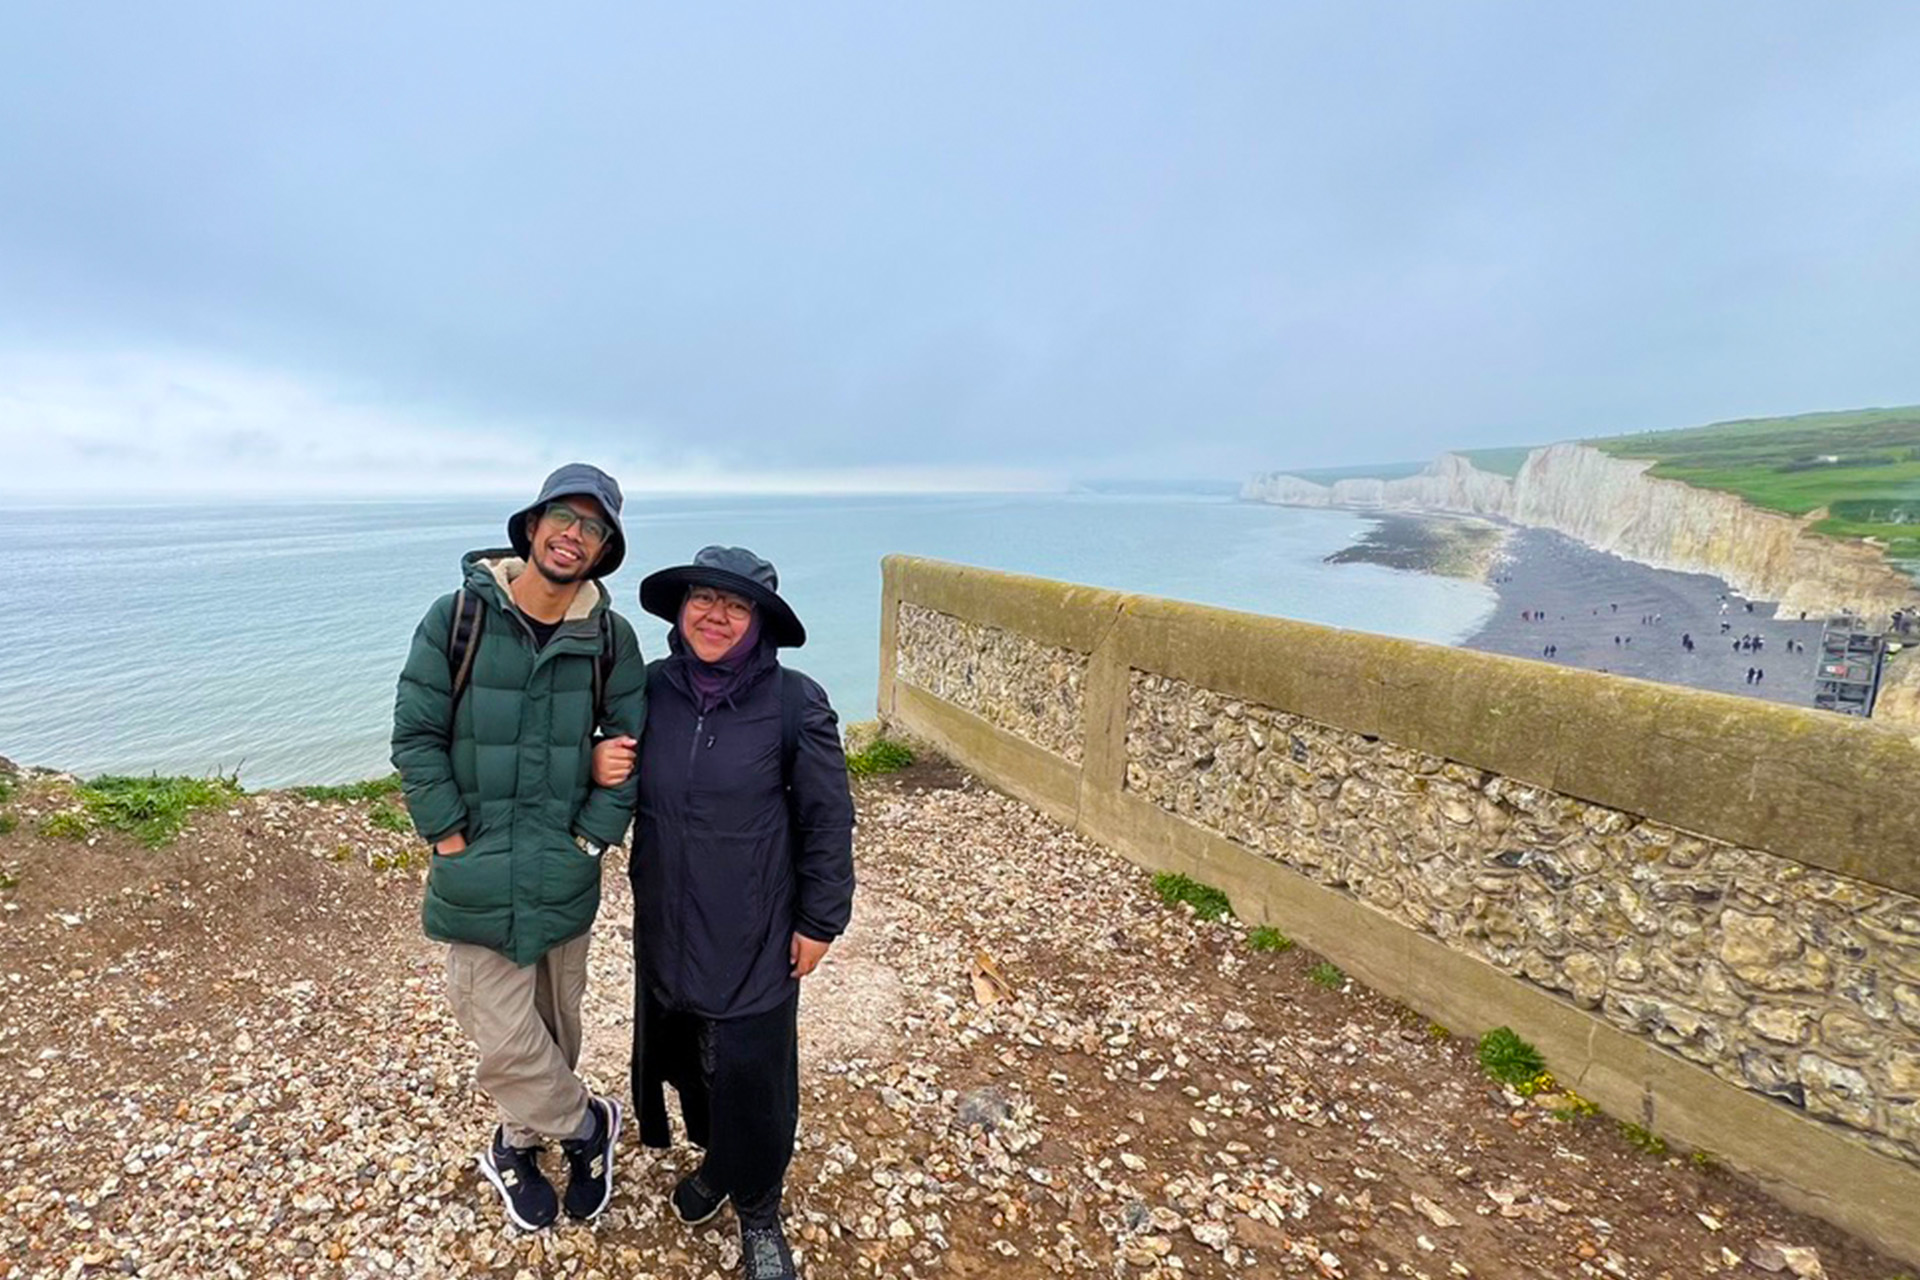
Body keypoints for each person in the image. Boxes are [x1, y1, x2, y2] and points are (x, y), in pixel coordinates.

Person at [391, 464, 647, 1231]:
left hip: (563, 868)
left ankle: (516, 1143)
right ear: (532, 528)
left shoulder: (610, 637)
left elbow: (630, 747)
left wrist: (592, 837)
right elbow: (416, 736)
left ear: (604, 550)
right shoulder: (457, 618)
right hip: (475, 869)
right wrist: (445, 835)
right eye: (562, 518)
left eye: (592, 527)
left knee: (555, 1023)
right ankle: (588, 1126)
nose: (574, 535)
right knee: (501, 1033)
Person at [593, 546, 855, 1280]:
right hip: (668, 918)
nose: (715, 615)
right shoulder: (649, 690)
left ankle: (761, 1208)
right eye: (703, 599)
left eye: (735, 605)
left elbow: (829, 821)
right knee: (687, 1052)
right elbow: (603, 754)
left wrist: (820, 920)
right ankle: (717, 1162)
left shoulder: (795, 702)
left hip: (756, 922)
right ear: (681, 610)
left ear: (759, 622)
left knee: (753, 1071)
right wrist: (596, 762)